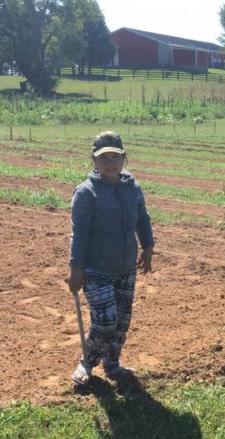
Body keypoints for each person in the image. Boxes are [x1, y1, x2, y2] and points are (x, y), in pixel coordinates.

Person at [67, 131, 154, 385]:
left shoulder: (132, 187)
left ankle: (112, 364)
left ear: (124, 158)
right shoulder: (86, 192)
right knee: (105, 320)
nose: (110, 162)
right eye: (104, 157)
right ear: (94, 161)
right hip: (96, 268)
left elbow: (142, 218)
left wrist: (148, 245)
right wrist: (76, 268)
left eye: (115, 156)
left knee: (122, 321)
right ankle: (87, 362)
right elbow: (79, 233)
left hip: (126, 267)